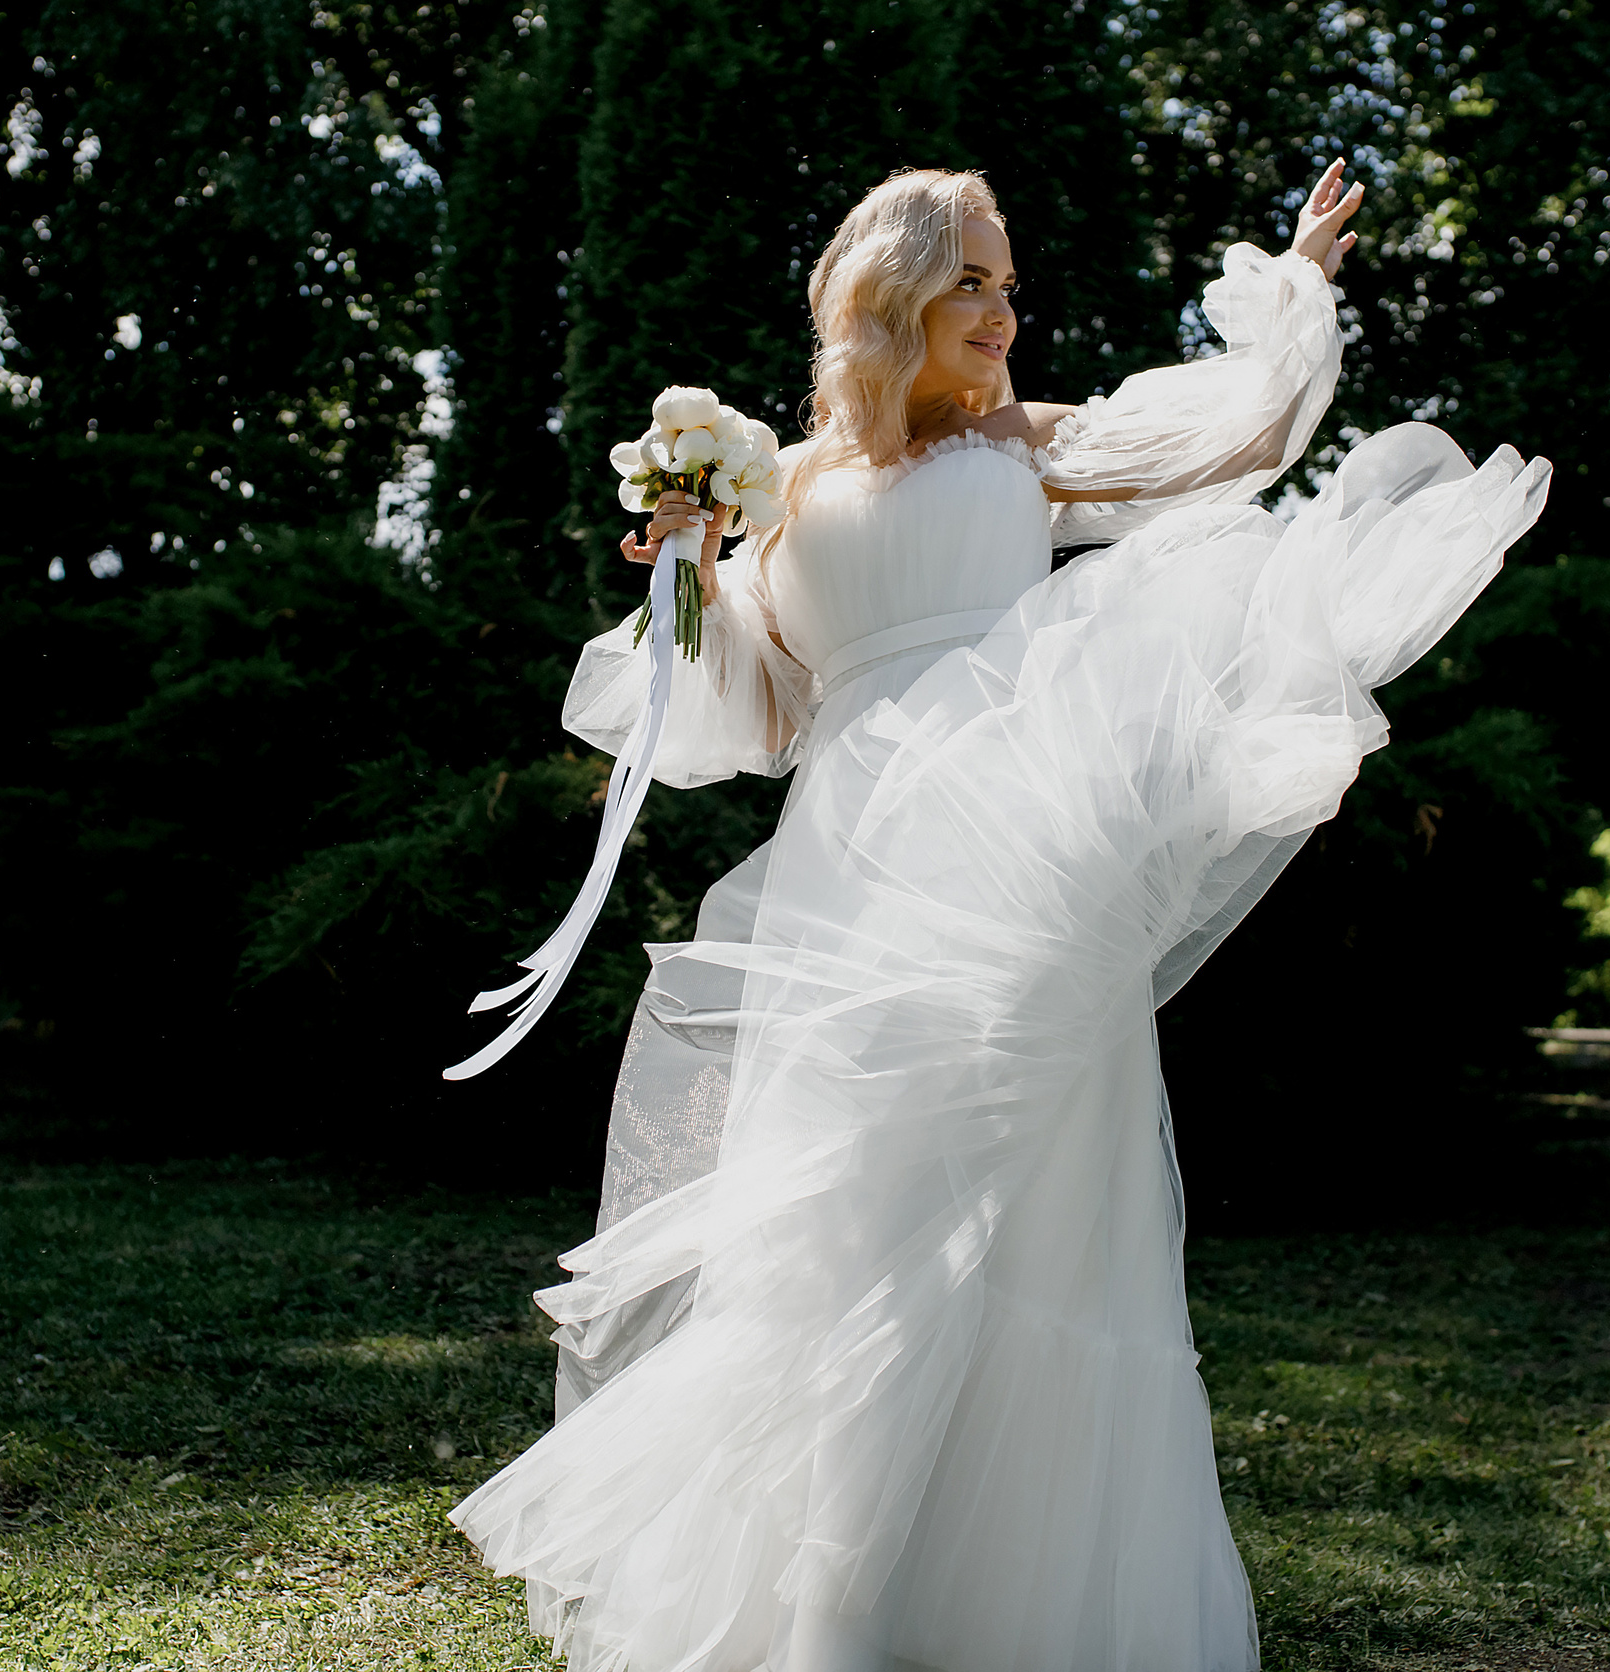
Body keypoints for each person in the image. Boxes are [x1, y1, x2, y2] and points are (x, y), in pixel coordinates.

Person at [451, 164, 1551, 1672]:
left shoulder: (1024, 446)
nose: (1000, 313)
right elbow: (749, 713)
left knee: (1020, 1211)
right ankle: (836, 1614)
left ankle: (1011, 1615)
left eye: (1009, 286)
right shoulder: (785, 497)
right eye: (971, 280)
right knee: (846, 1216)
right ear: (886, 292)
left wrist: (1296, 288)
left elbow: (1234, 438)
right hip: (845, 871)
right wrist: (690, 569)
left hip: (1012, 864)